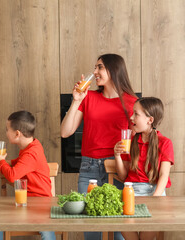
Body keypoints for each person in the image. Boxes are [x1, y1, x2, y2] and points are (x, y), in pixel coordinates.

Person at [60, 54, 138, 240]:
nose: (94, 72)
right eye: (95, 67)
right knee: (91, 230)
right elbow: (65, 132)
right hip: (89, 168)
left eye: (99, 67)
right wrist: (77, 100)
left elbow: (139, 139)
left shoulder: (132, 102)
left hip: (119, 169)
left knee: (120, 232)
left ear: (113, 70)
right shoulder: (88, 97)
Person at [114, 97, 174, 240]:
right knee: (123, 225)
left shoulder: (165, 143)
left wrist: (154, 200)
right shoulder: (131, 142)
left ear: (150, 120)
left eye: (136, 114)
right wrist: (116, 155)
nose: (131, 117)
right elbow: (123, 177)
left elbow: (164, 176)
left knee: (147, 235)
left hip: (155, 193)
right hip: (131, 192)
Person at [0, 110, 55, 240]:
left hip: (39, 203)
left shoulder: (31, 153)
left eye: (7, 129)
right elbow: (22, 163)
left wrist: (2, 162)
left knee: (46, 232)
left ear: (17, 133)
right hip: (27, 202)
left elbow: (13, 176)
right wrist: (6, 162)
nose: (6, 132)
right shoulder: (31, 147)